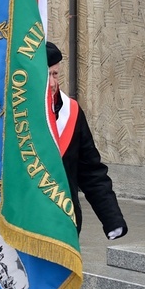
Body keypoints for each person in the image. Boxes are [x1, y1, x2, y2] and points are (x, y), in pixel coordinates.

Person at [46, 41, 128, 239]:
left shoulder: (71, 112)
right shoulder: (14, 116)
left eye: (55, 74)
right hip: (22, 223)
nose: (52, 83)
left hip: (64, 222)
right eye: (45, 75)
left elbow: (91, 171)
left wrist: (112, 218)